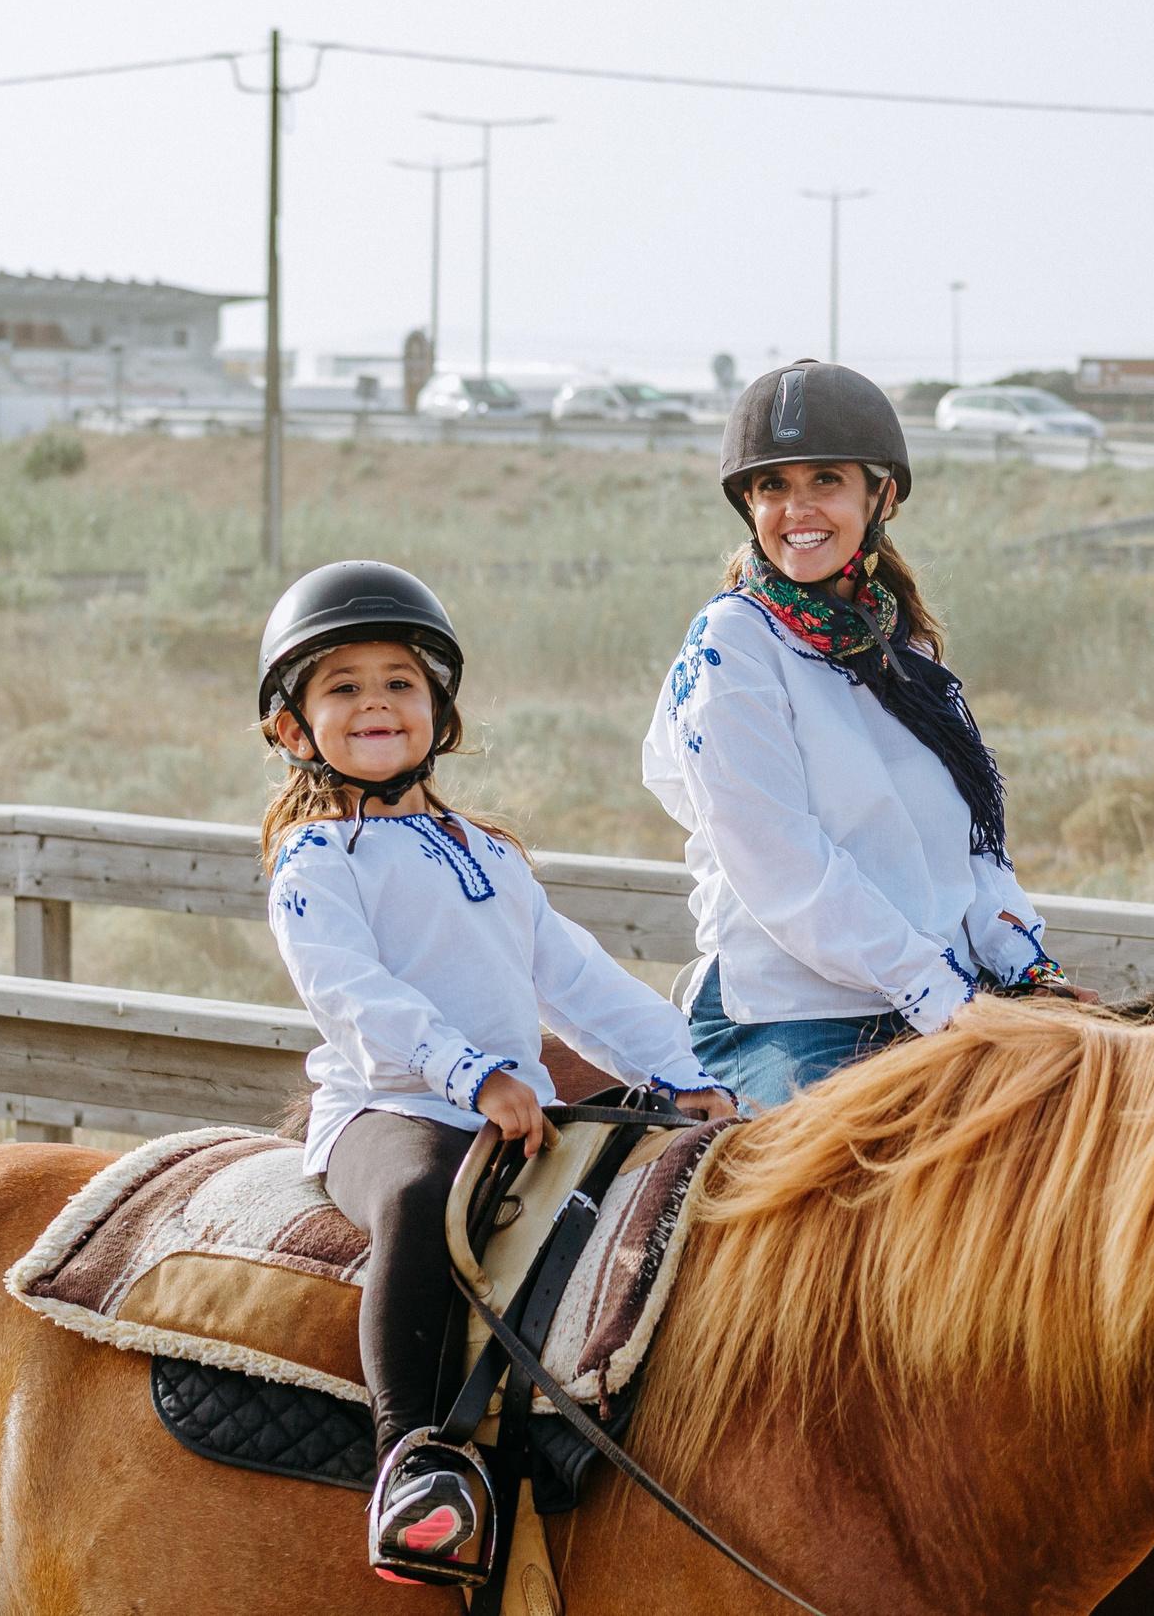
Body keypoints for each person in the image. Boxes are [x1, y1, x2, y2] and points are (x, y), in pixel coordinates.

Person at [256, 560, 734, 1589]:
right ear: (293, 728)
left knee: (661, 1174)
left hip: (506, 1100)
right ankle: (413, 1460)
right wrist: (468, 1073)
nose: (376, 702)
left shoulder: (488, 854)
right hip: (391, 1104)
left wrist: (682, 1070)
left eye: (399, 681)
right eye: (342, 687)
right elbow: (353, 996)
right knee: (427, 1199)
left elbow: (579, 979)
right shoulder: (315, 861)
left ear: (440, 710)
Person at [642, 360, 1093, 1113]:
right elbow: (785, 869)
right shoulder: (731, 646)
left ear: (880, 496)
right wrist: (945, 997)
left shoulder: (905, 653)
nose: (798, 508)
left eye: (825, 480)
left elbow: (971, 848)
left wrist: (1025, 966)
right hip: (791, 1014)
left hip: (933, 993)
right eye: (772, 486)